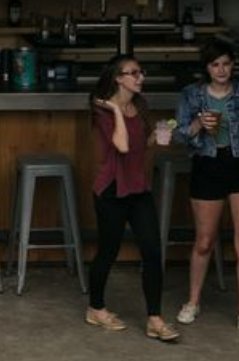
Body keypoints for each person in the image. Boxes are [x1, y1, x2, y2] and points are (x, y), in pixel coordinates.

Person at [173, 38, 239, 340]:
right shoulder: (191, 95)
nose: (221, 69)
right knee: (204, 241)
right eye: (215, 64)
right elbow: (179, 136)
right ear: (207, 67)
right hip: (208, 166)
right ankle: (192, 301)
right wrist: (196, 126)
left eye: (226, 64)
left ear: (233, 65)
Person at [86, 53, 179, 342]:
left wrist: (160, 135)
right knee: (108, 251)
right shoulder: (102, 111)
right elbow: (123, 146)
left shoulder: (141, 105)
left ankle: (155, 319)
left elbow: (142, 143)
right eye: (133, 73)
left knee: (152, 250)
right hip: (111, 190)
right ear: (118, 78)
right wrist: (115, 109)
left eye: (141, 72)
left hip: (138, 187)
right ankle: (96, 308)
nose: (140, 77)